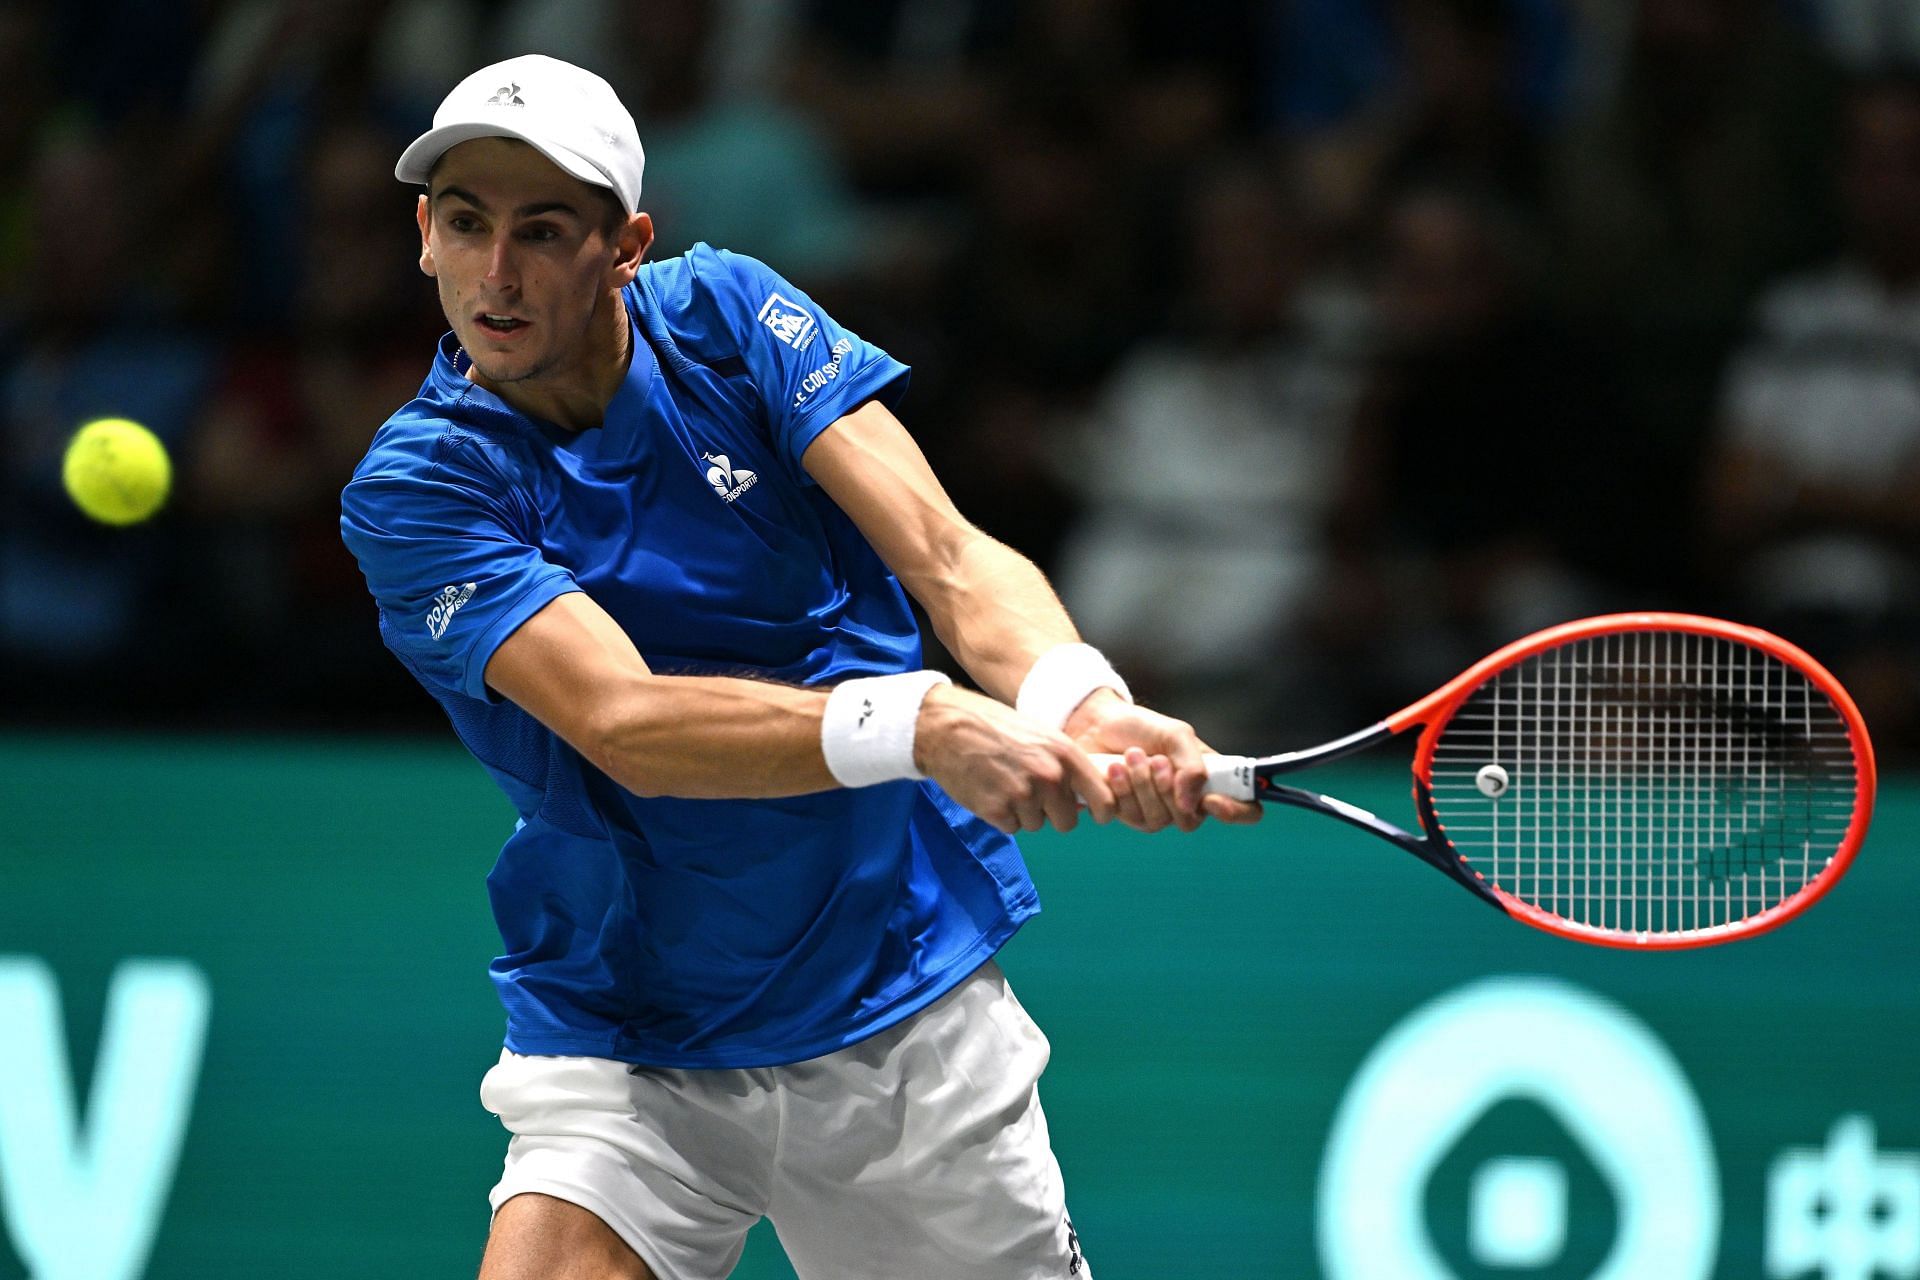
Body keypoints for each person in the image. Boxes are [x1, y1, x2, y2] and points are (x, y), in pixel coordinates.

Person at [339, 54, 1257, 1280]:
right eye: (467, 224)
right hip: (632, 1032)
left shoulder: (725, 316)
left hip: (896, 997)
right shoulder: (422, 485)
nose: (495, 273)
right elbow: (625, 719)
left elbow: (944, 553)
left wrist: (1080, 699)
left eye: (543, 231)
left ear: (625, 245)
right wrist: (923, 720)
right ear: (424, 235)